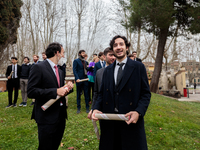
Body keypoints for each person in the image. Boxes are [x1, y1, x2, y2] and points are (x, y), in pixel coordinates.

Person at [92, 35, 151, 150]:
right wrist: (95, 108)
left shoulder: (138, 67)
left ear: (127, 47)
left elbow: (146, 94)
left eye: (121, 44)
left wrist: (138, 112)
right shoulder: (107, 70)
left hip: (130, 122)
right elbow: (101, 94)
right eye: (115, 45)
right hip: (110, 123)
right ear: (112, 49)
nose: (118, 47)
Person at [27, 42, 74, 150]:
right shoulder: (38, 67)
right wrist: (55, 91)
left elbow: (60, 90)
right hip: (46, 117)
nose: (63, 56)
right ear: (57, 53)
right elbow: (31, 91)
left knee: (54, 146)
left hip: (61, 116)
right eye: (63, 53)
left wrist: (68, 88)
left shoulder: (60, 71)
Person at [87, 47, 115, 119]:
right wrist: (93, 108)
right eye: (111, 55)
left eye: (114, 55)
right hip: (102, 110)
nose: (113, 57)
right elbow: (96, 92)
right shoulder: (99, 72)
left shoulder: (121, 72)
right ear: (104, 57)